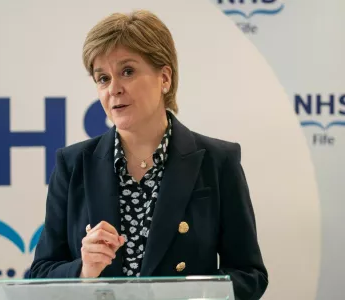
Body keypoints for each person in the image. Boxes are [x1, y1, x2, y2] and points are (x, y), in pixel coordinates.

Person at [29, 10, 268, 300]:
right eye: (102, 78)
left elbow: (249, 275)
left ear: (164, 77)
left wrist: (194, 295)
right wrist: (84, 270)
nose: (114, 89)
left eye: (127, 71)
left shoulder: (218, 161)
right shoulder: (73, 164)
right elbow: (39, 274)